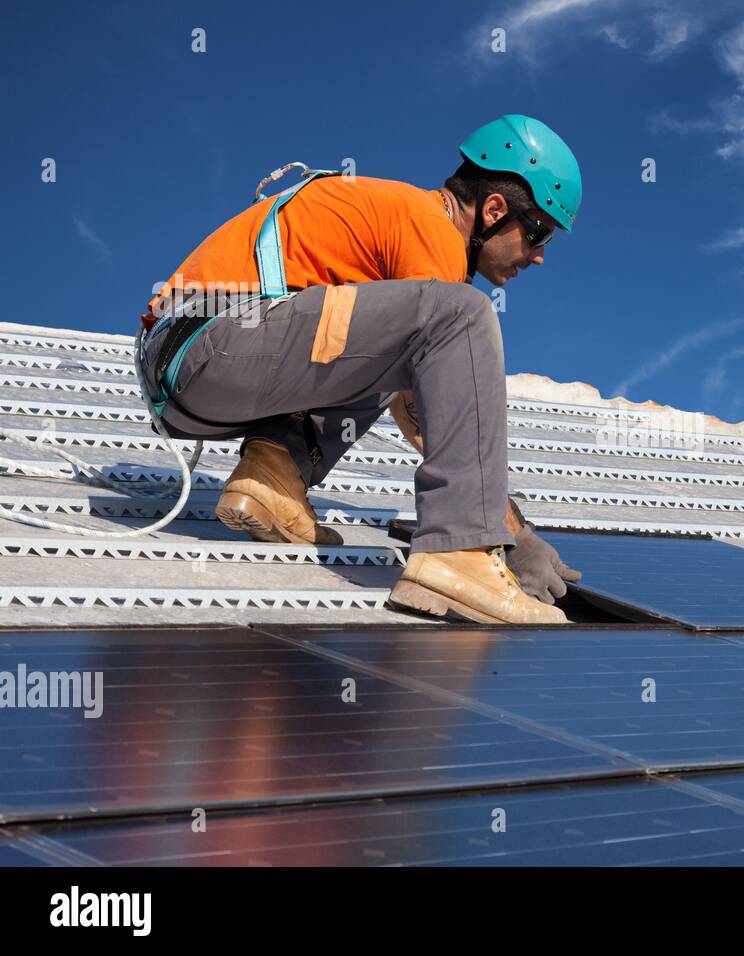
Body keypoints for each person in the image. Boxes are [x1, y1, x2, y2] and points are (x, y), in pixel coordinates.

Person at [136, 115, 582, 625]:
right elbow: (435, 405)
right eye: (538, 232)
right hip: (212, 345)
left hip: (198, 365)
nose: (540, 257)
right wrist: (507, 532)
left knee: (402, 346)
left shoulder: (401, 225)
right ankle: (458, 555)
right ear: (494, 210)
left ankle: (273, 478)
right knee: (464, 314)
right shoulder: (430, 228)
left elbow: (403, 381)